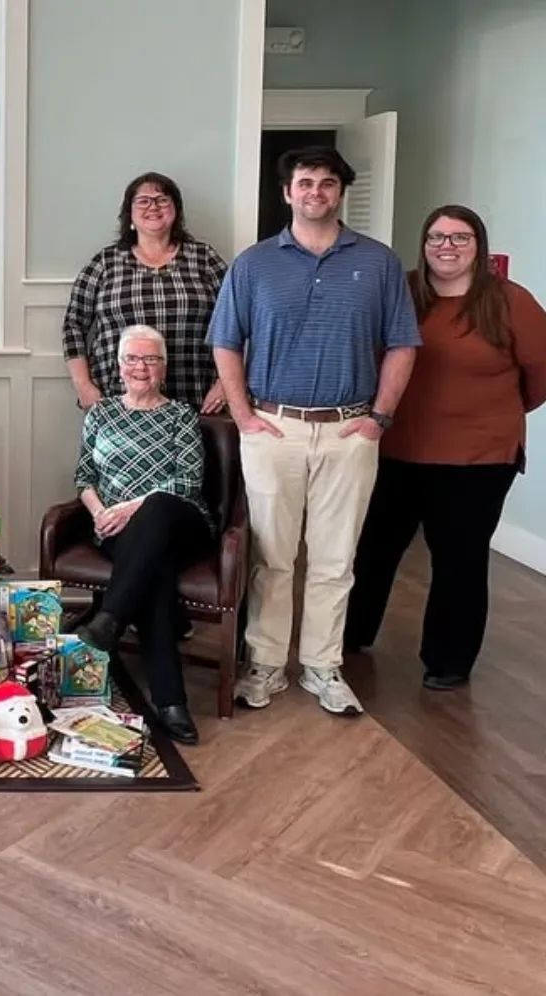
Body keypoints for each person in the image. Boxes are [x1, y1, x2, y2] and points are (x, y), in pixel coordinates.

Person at [208, 146, 420, 716]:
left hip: (351, 431)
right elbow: (225, 341)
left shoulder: (377, 264)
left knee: (334, 560)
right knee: (272, 558)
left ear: (340, 193)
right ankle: (267, 666)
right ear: (287, 193)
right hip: (274, 429)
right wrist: (245, 416)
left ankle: (324, 667)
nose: (316, 193)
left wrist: (378, 419)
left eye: (327, 184)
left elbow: (403, 343)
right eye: (305, 183)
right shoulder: (253, 265)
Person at [346, 205, 546, 689]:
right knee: (373, 549)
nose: (447, 247)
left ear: (478, 245)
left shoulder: (509, 301)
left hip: (477, 458)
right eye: (436, 237)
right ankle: (350, 635)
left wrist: (489, 413)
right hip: (397, 448)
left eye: (459, 238)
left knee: (459, 559)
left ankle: (448, 660)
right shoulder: (404, 292)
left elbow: (539, 376)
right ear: (424, 243)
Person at [72, 326, 211, 744]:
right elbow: (84, 476)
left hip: (181, 522)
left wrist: (129, 508)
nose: (140, 367)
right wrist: (99, 513)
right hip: (118, 531)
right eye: (132, 358)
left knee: (158, 507)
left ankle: (110, 617)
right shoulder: (101, 414)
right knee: (156, 573)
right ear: (118, 366)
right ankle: (171, 701)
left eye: (150, 360)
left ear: (163, 368)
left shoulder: (181, 416)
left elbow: (188, 483)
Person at [63, 172, 229, 412]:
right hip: (117, 400)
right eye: (143, 200)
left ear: (176, 210)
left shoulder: (204, 258)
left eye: (162, 199)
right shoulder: (106, 262)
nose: (153, 206)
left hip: (195, 397)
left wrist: (225, 384)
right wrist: (83, 386)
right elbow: (73, 325)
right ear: (129, 212)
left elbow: (237, 322)